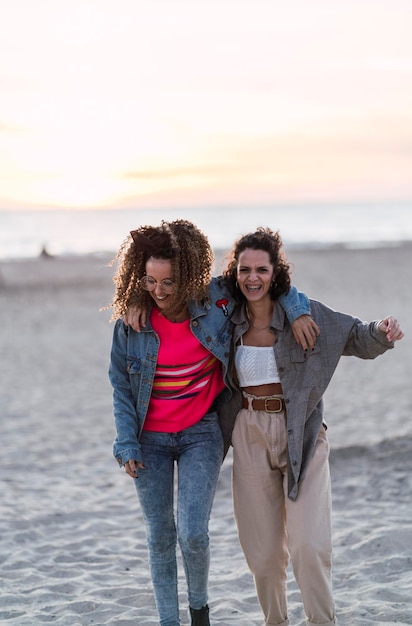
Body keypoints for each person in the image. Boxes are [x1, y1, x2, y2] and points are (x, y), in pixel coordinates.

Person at [107, 219, 318, 626]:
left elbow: (269, 285)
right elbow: (120, 387)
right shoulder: (131, 324)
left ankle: (199, 613)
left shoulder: (216, 301)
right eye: (149, 282)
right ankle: (170, 621)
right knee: (160, 536)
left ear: (188, 276)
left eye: (168, 283)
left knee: (192, 533)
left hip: (200, 434)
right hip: (146, 440)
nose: (159, 292)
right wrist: (126, 444)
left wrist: (296, 311)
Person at [220, 227, 404, 626]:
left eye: (262, 270)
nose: (253, 278)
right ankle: (277, 622)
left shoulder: (305, 315)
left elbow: (353, 336)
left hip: (301, 431)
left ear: (276, 272)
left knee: (309, 546)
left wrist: (381, 332)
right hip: (248, 433)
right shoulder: (225, 319)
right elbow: (177, 308)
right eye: (244, 270)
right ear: (234, 272)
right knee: (263, 554)